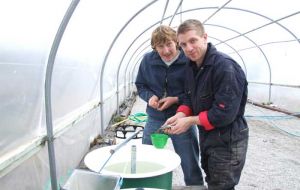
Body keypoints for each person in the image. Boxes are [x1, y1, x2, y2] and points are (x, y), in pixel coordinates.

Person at [165, 19, 249, 190]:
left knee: (222, 183)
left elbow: (224, 114)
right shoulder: (191, 67)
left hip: (228, 138)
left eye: (193, 40)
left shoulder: (225, 67)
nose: (188, 48)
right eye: (183, 44)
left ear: (204, 37)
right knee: (212, 178)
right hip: (209, 136)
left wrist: (189, 121)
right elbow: (189, 97)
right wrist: (180, 114)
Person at [135, 25, 204, 186]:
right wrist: (150, 97)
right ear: (154, 47)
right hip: (155, 117)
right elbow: (140, 85)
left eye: (169, 44)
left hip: (181, 118)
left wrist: (175, 99)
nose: (166, 50)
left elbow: (194, 91)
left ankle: (195, 186)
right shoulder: (147, 61)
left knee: (189, 160)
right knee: (147, 155)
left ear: (176, 42)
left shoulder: (188, 60)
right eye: (160, 46)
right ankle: (146, 186)